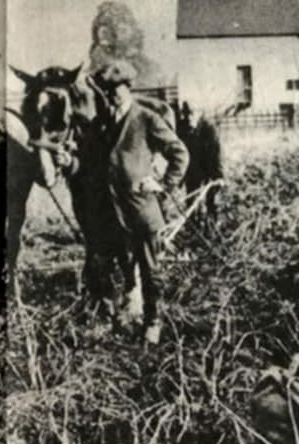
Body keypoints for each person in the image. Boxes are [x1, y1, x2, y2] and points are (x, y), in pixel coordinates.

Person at [94, 60, 189, 345]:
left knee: (150, 270)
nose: (111, 95)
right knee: (113, 267)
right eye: (106, 90)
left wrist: (162, 184)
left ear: (128, 88)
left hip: (141, 209)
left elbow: (179, 153)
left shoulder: (146, 119)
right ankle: (121, 318)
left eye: (116, 89)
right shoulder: (103, 125)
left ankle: (153, 322)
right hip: (113, 212)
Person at [180, 103, 224, 223]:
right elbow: (181, 153)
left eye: (192, 113)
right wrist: (181, 176)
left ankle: (213, 225)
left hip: (209, 167)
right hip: (193, 169)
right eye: (186, 113)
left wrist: (219, 176)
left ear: (199, 113)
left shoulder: (209, 128)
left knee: (212, 199)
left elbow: (216, 153)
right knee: (191, 199)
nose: (189, 117)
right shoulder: (182, 129)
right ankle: (193, 225)